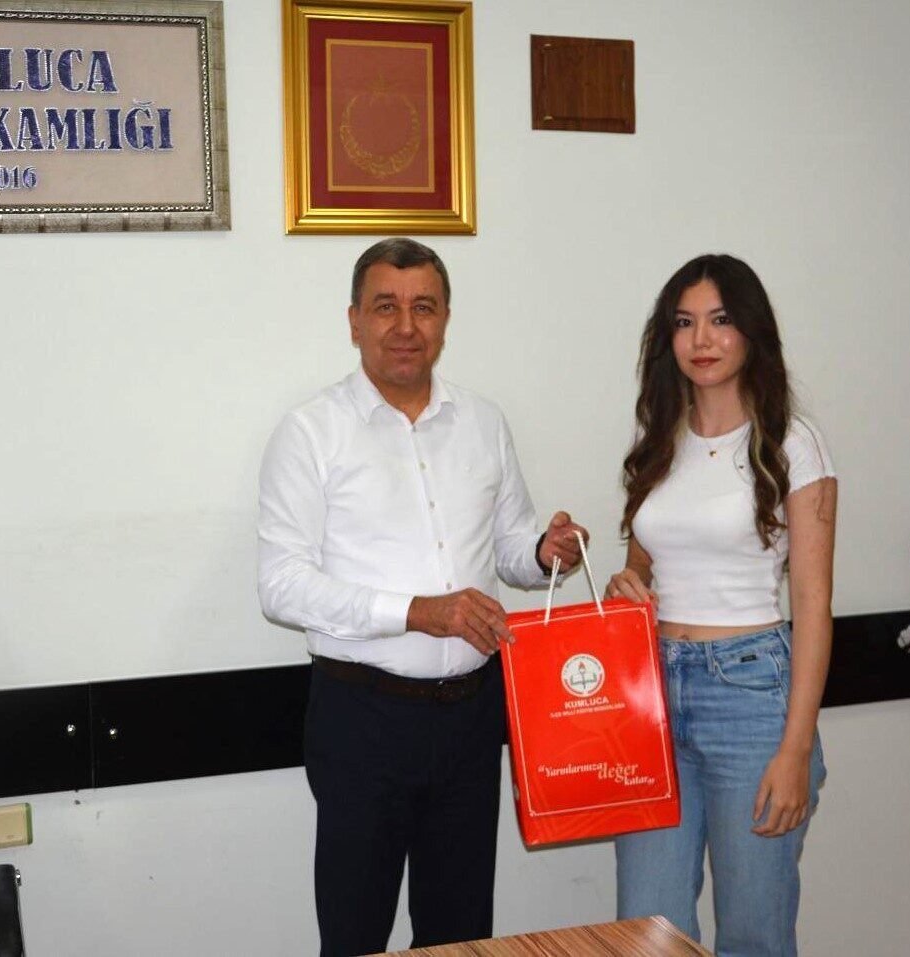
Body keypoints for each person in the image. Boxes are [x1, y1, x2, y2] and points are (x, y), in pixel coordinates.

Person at [257, 238, 588, 957]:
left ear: (445, 320)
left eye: (424, 308)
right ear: (354, 321)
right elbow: (280, 586)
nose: (405, 326)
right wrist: (417, 611)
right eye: (385, 307)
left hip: (471, 718)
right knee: (356, 934)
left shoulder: (483, 422)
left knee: (461, 935)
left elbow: (510, 547)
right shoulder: (310, 432)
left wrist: (544, 552)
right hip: (361, 720)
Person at [605, 254, 837, 957]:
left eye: (719, 319)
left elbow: (814, 605)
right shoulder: (659, 440)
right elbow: (646, 556)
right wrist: (627, 581)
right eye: (684, 323)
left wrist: (795, 748)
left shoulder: (792, 443)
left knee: (753, 934)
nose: (701, 339)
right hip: (650, 693)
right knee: (647, 930)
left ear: (750, 331)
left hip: (752, 693)